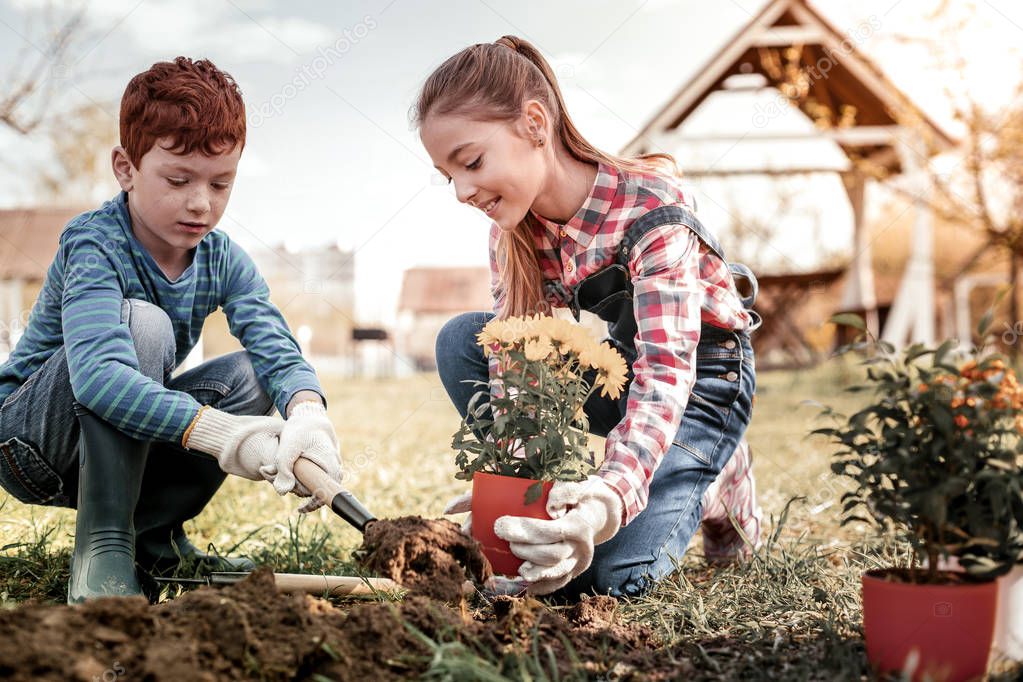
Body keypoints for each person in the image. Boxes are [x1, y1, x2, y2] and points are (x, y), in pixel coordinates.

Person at [417, 36, 763, 598]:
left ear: (534, 123)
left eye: (471, 162)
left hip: (701, 383)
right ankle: (587, 497)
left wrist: (605, 501)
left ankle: (716, 472)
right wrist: (516, 504)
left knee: (607, 579)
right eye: (446, 174)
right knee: (465, 340)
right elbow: (517, 372)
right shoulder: (511, 234)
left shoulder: (652, 208)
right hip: (627, 370)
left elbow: (665, 376)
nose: (460, 191)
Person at [0, 57, 343, 604]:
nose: (201, 203)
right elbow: (98, 381)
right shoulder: (95, 244)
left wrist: (307, 410)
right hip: (35, 443)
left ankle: (152, 535)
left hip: (126, 444)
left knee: (251, 374)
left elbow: (273, 342)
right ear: (126, 167)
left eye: (221, 183)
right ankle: (104, 544)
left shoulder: (222, 258)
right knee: (146, 324)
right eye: (178, 180)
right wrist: (224, 435)